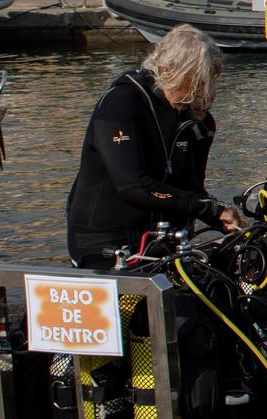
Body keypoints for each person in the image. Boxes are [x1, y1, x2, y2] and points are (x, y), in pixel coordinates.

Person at [67, 24, 239, 268]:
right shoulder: (122, 103)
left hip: (160, 238)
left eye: (210, 83)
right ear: (175, 72)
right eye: (200, 83)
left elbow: (190, 185)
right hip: (103, 242)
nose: (207, 93)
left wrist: (218, 214)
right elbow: (133, 186)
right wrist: (205, 208)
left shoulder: (196, 121)